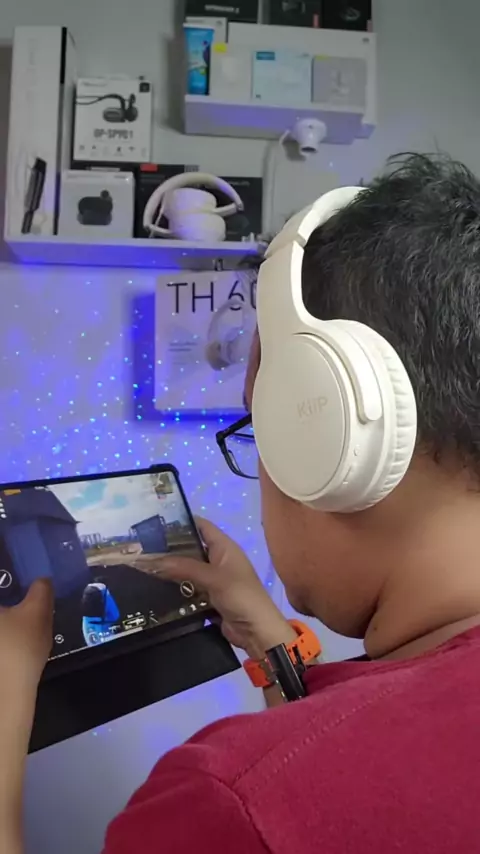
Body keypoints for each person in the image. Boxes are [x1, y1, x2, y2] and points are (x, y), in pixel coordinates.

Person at [2, 153, 480, 853]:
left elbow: (311, 781)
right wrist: (268, 639)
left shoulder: (233, 801)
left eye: (259, 424)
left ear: (328, 437)